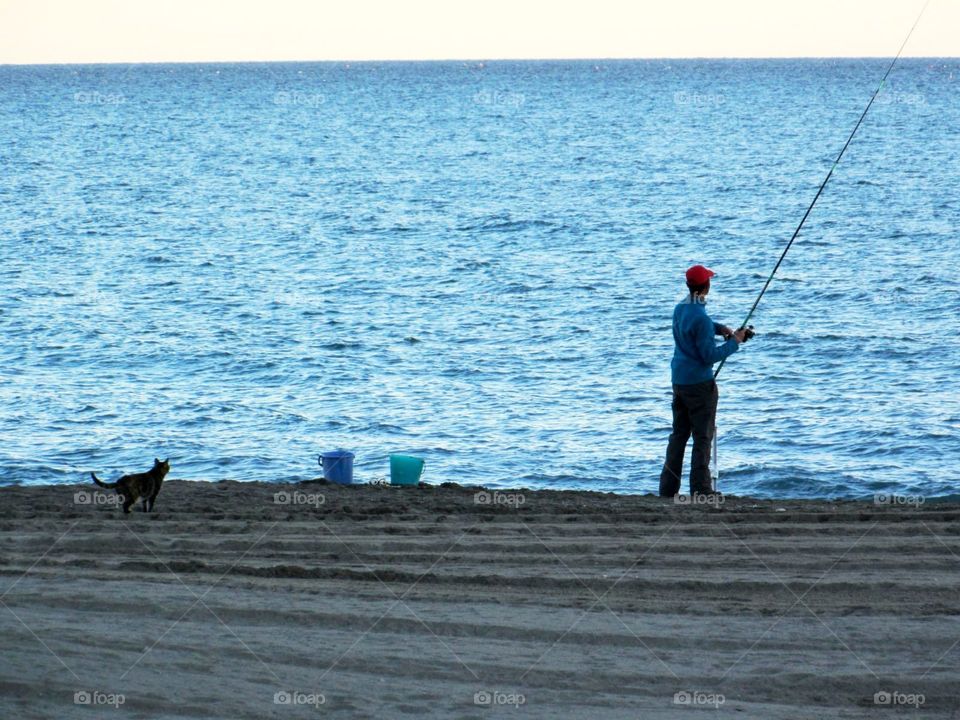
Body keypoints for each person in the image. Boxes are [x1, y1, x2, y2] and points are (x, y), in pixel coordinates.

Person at [659, 264, 751, 497]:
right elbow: (709, 355)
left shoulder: (681, 308)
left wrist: (721, 329)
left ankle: (668, 489)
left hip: (679, 380)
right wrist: (735, 342)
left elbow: (699, 326)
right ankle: (701, 489)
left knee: (678, 435)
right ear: (706, 287)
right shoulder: (699, 316)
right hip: (699, 385)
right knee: (702, 436)